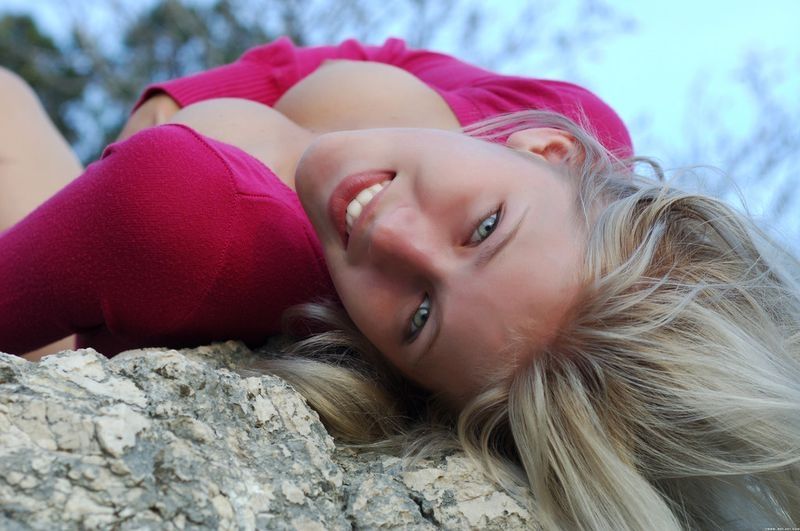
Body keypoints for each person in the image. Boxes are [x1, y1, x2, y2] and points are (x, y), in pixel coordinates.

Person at [1, 37, 799, 529]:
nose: (389, 233)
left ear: (411, 381)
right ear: (552, 153)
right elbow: (359, 55)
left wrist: (181, 136)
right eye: (484, 227)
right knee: (383, 95)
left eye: (419, 317)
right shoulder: (554, 114)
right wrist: (188, 98)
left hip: (59, 319)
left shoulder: (202, 211)